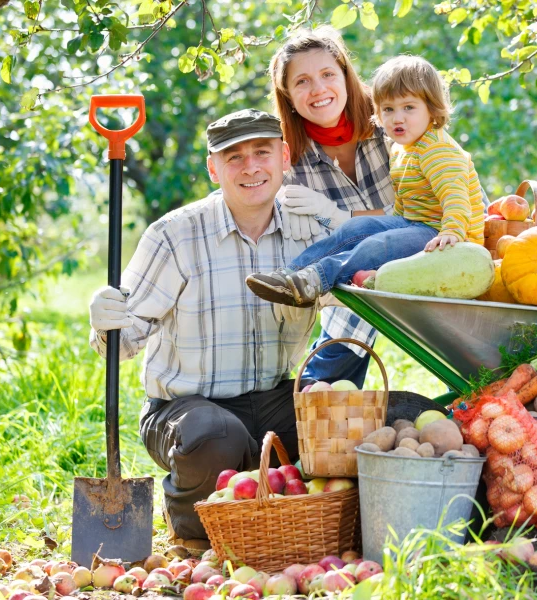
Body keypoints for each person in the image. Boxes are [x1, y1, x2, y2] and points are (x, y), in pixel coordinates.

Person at [87, 109, 319, 550]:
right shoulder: (176, 235)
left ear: (284, 157)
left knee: (339, 426)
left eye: (261, 152)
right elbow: (123, 344)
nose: (250, 167)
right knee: (218, 436)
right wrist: (106, 322)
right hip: (184, 411)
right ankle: (191, 528)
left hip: (271, 398)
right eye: (233, 157)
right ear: (213, 167)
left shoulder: (308, 234)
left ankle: (272, 501)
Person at [245, 54, 485, 309]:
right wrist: (388, 225)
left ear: (433, 109)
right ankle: (291, 274)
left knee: (378, 245)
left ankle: (315, 280)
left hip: (448, 238)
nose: (397, 118)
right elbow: (403, 202)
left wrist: (452, 231)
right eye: (388, 110)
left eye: (409, 108)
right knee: (355, 228)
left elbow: (456, 197)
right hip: (416, 225)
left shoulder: (437, 150)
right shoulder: (402, 149)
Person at [257, 26, 398, 389]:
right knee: (358, 294)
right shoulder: (289, 159)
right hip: (351, 285)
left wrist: (341, 217)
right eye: (302, 82)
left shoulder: (391, 123)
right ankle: (320, 398)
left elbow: (425, 211)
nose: (318, 90)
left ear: (346, 76)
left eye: (327, 74)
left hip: (426, 253)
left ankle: (315, 387)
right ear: (287, 96)